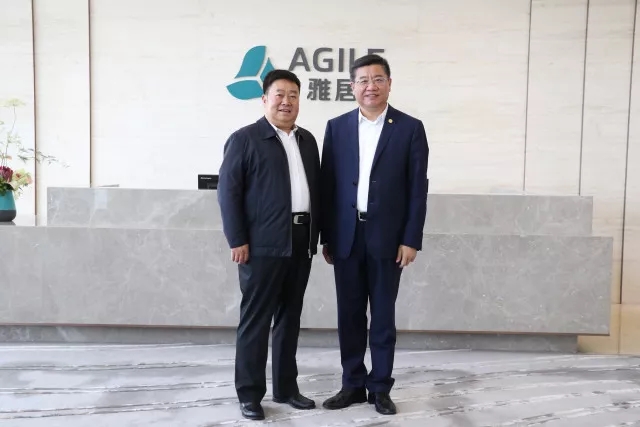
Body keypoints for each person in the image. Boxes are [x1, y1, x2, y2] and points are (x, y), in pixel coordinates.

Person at [319, 54, 429, 415]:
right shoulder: (336, 128)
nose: (371, 86)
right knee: (349, 315)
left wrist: (411, 238)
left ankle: (380, 387)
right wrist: (327, 237)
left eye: (378, 79)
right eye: (363, 80)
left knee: (382, 316)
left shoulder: (410, 128)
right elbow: (328, 186)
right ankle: (352, 383)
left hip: (388, 238)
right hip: (346, 236)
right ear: (352, 87)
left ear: (389, 84)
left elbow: (417, 189)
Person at [217, 69, 321, 421]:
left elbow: (317, 192)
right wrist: (237, 239)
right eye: (280, 94)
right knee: (256, 322)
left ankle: (287, 388)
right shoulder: (244, 139)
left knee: (290, 319)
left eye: (293, 95)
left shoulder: (307, 140)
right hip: (261, 246)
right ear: (264, 99)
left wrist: (319, 238)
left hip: (301, 242)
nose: (286, 101)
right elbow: (228, 194)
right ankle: (249, 394)